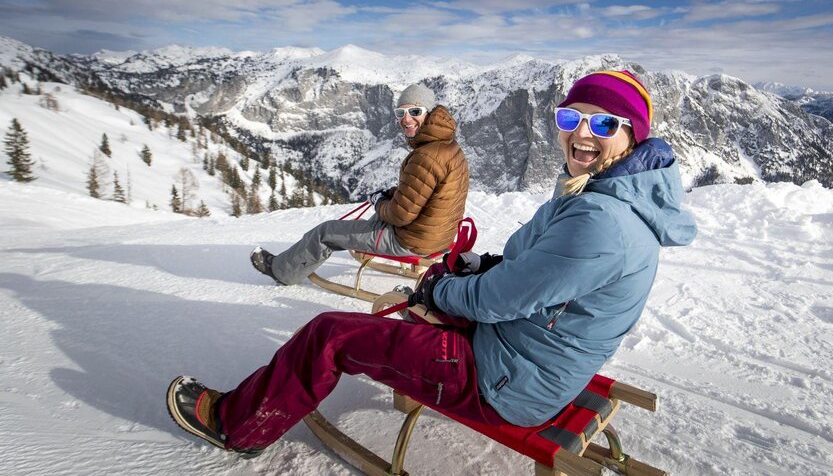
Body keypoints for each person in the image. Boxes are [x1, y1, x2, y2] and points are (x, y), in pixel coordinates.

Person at [167, 69, 697, 454]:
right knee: (426, 295)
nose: (581, 134)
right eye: (570, 118)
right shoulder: (600, 196)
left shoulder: (600, 220)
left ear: (632, 136)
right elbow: (531, 272)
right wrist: (474, 269)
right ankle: (407, 357)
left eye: (603, 125)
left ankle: (236, 426)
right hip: (524, 354)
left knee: (329, 334)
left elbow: (497, 300)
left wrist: (437, 291)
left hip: (506, 382)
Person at [250, 83, 470, 286]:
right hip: (439, 236)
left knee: (325, 232)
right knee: (373, 221)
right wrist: (392, 195)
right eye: (400, 113)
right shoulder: (448, 147)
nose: (406, 119)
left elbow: (400, 215)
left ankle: (281, 272)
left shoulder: (426, 156)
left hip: (412, 240)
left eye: (414, 112)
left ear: (429, 113)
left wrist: (379, 202)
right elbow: (429, 193)